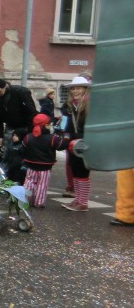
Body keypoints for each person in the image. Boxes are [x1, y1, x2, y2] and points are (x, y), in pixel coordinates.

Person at [21, 114, 70, 209]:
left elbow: (23, 147)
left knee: (29, 182)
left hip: (31, 165)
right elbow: (61, 146)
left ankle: (25, 200)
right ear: (46, 125)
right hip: (45, 167)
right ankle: (39, 202)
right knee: (42, 185)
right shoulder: (52, 138)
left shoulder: (28, 137)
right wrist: (67, 137)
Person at [61, 75, 92, 211]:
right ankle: (77, 199)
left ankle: (83, 202)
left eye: (78, 88)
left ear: (85, 89)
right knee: (74, 170)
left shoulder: (90, 105)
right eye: (73, 88)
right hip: (73, 143)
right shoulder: (70, 105)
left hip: (85, 143)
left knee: (83, 172)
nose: (75, 91)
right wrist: (66, 137)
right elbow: (67, 125)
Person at [0, 77, 37, 148]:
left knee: (25, 148)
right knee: (9, 148)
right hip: (10, 126)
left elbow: (31, 111)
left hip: (25, 125)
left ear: (4, 86)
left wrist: (29, 128)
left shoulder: (20, 92)